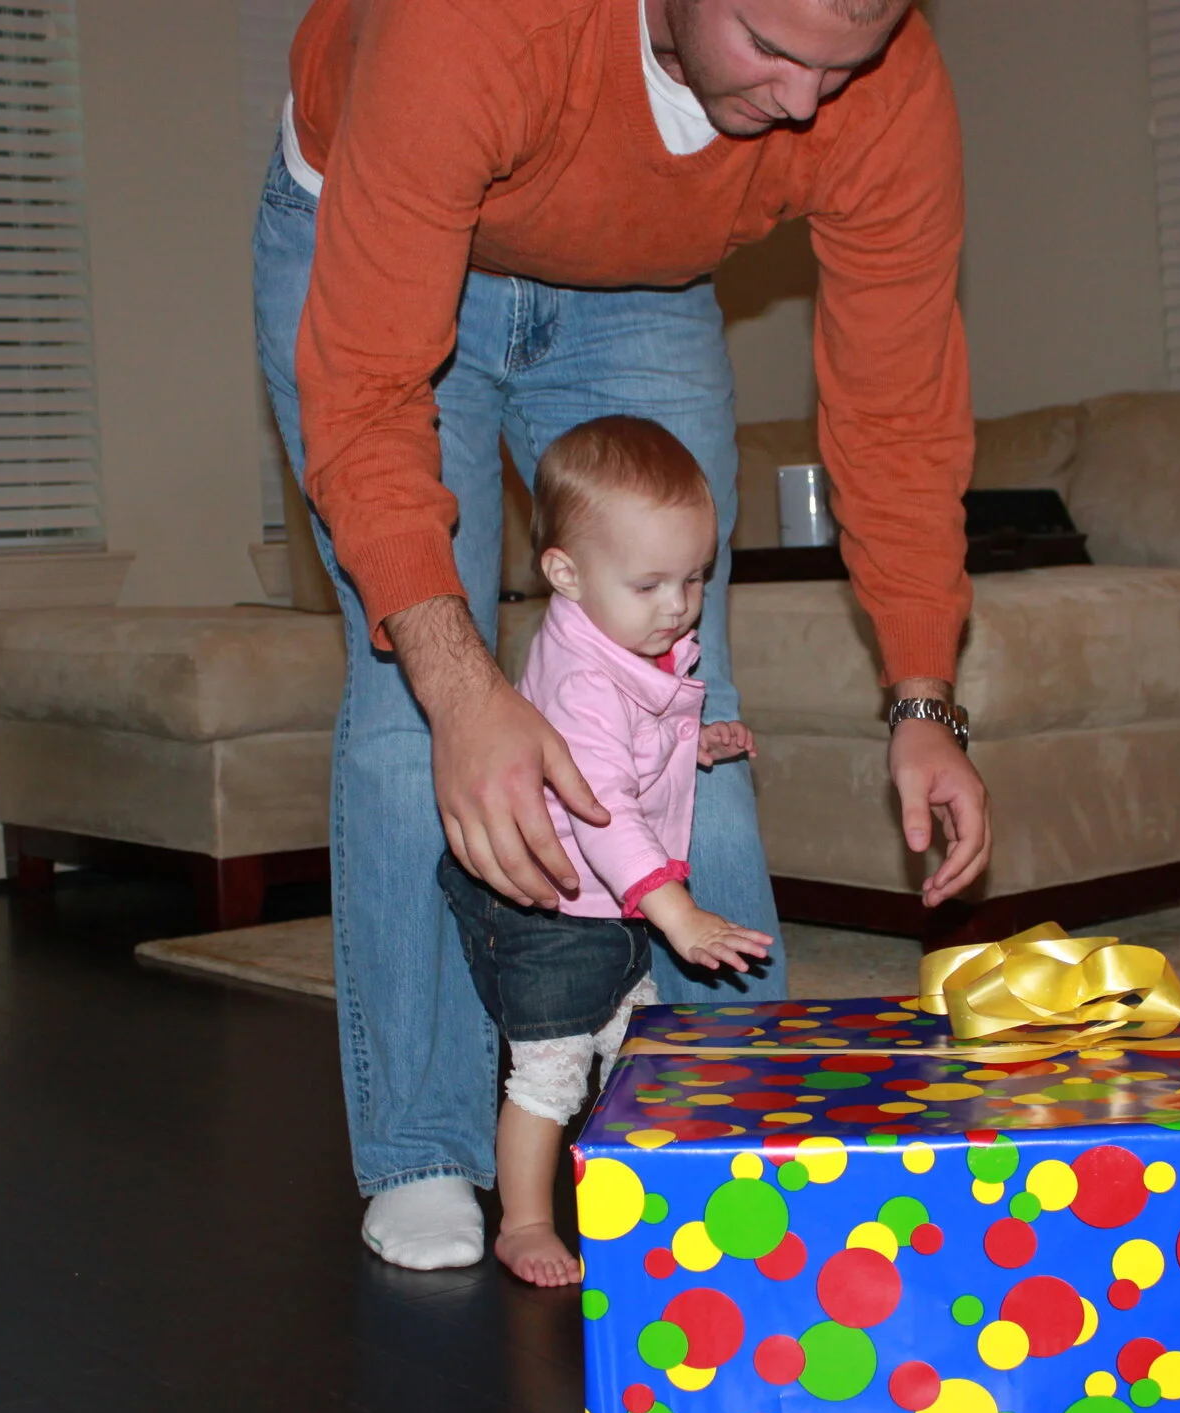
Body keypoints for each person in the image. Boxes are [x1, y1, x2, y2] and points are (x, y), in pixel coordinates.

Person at [253, 0, 992, 1272]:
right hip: (376, 215)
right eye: (772, 49)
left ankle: (733, 1120)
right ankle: (430, 1149)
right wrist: (459, 678)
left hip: (636, 286)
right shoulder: (474, 27)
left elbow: (898, 405)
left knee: (680, 682)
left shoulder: (884, 82)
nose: (811, 103)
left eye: (844, 62)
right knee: (408, 703)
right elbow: (369, 396)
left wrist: (923, 699)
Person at [443, 417, 772, 1286]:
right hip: (552, 907)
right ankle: (522, 1219)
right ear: (565, 572)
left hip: (609, 909)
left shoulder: (624, 640)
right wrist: (680, 914)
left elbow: (635, 745)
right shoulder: (587, 677)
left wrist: (691, 745)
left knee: (637, 1053)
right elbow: (603, 810)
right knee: (550, 1072)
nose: (680, 604)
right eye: (653, 583)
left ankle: (641, 1194)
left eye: (696, 577)